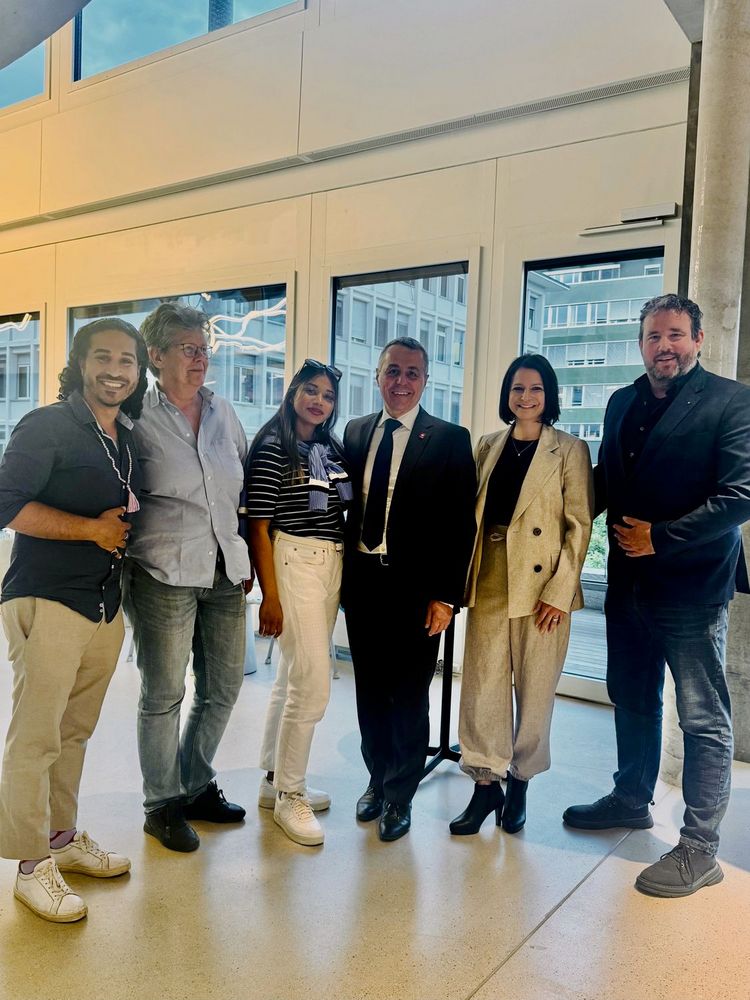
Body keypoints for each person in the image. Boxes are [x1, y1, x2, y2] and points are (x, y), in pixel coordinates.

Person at [563, 293, 750, 898]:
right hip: (627, 583)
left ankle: (700, 847)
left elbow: (741, 495)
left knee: (701, 716)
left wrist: (661, 537)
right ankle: (631, 797)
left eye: (674, 335)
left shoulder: (731, 400)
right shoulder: (621, 401)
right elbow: (606, 481)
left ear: (698, 340)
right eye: (652, 336)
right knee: (632, 695)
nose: (663, 346)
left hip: (692, 586)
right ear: (640, 343)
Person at [0, 318, 147, 923]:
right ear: (81, 364)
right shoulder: (47, 425)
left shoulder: (123, 436)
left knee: (73, 732)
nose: (115, 370)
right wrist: (91, 529)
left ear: (138, 372)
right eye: (102, 357)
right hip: (48, 598)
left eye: (127, 361)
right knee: (36, 736)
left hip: (103, 603)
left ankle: (61, 838)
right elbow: (6, 504)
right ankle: (30, 867)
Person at [124, 303, 251, 853]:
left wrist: (246, 557)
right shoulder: (136, 417)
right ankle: (162, 804)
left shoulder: (224, 412)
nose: (200, 360)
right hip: (163, 573)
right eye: (188, 349)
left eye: (204, 350)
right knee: (164, 694)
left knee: (223, 688)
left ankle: (195, 784)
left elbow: (241, 487)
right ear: (156, 355)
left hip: (224, 571)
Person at [451, 355, 593, 836]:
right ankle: (484, 784)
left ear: (549, 395)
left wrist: (560, 590)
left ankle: (521, 781)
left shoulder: (569, 449)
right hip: (490, 572)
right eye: (517, 388)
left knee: (535, 687)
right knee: (483, 684)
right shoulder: (488, 445)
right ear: (506, 394)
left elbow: (579, 526)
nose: (525, 397)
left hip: (542, 586)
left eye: (535, 388)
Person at [343, 336, 476, 842]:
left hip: (417, 592)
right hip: (363, 583)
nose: (401, 381)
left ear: (425, 381)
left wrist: (447, 596)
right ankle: (376, 780)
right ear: (378, 376)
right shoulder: (356, 431)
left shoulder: (449, 438)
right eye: (393, 371)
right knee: (370, 692)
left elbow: (460, 525)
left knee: (410, 695)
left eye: (412, 373)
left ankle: (400, 796)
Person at [246, 359, 351, 847]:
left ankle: (274, 781)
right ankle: (292, 792)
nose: (319, 401)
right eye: (311, 391)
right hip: (293, 559)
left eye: (327, 395)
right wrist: (269, 597)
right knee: (312, 684)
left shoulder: (329, 448)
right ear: (292, 393)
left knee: (291, 677)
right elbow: (259, 526)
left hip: (330, 561)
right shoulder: (274, 446)